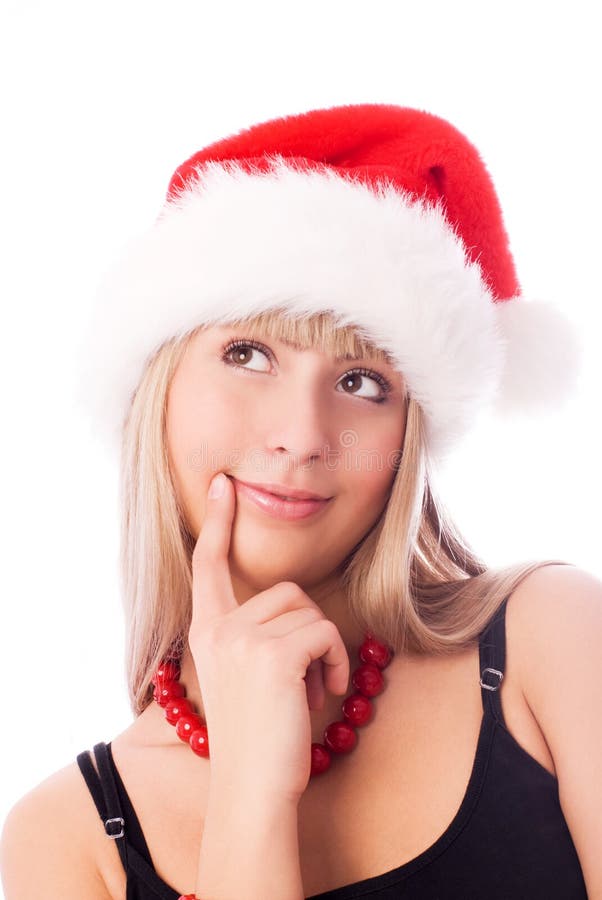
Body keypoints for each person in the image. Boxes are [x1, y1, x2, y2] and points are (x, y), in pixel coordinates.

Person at [1, 103, 600, 900]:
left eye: (363, 382)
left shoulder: (551, 640)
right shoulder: (66, 839)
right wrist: (251, 791)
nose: (302, 436)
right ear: (160, 384)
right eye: (248, 354)